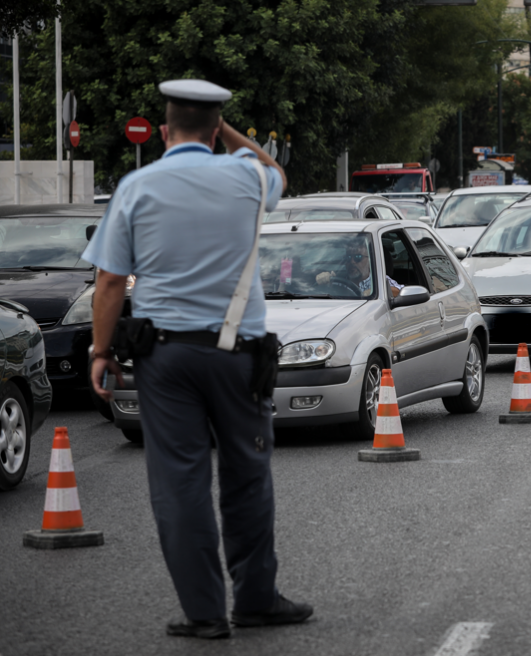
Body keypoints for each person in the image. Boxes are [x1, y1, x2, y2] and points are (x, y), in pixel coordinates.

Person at [86, 79, 312, 640]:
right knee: (248, 476)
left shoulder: (137, 186)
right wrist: (225, 129)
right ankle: (257, 600)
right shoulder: (244, 176)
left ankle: (204, 613)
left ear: (163, 132)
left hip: (166, 359)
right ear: (216, 132)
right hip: (240, 356)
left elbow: (111, 281)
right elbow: (276, 171)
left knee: (179, 483)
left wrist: (99, 350)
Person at [315, 238, 402, 297]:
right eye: (348, 258)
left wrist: (374, 291)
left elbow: (400, 291)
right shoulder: (337, 281)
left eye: (358, 257)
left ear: (369, 261)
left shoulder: (379, 280)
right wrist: (324, 281)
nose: (352, 261)